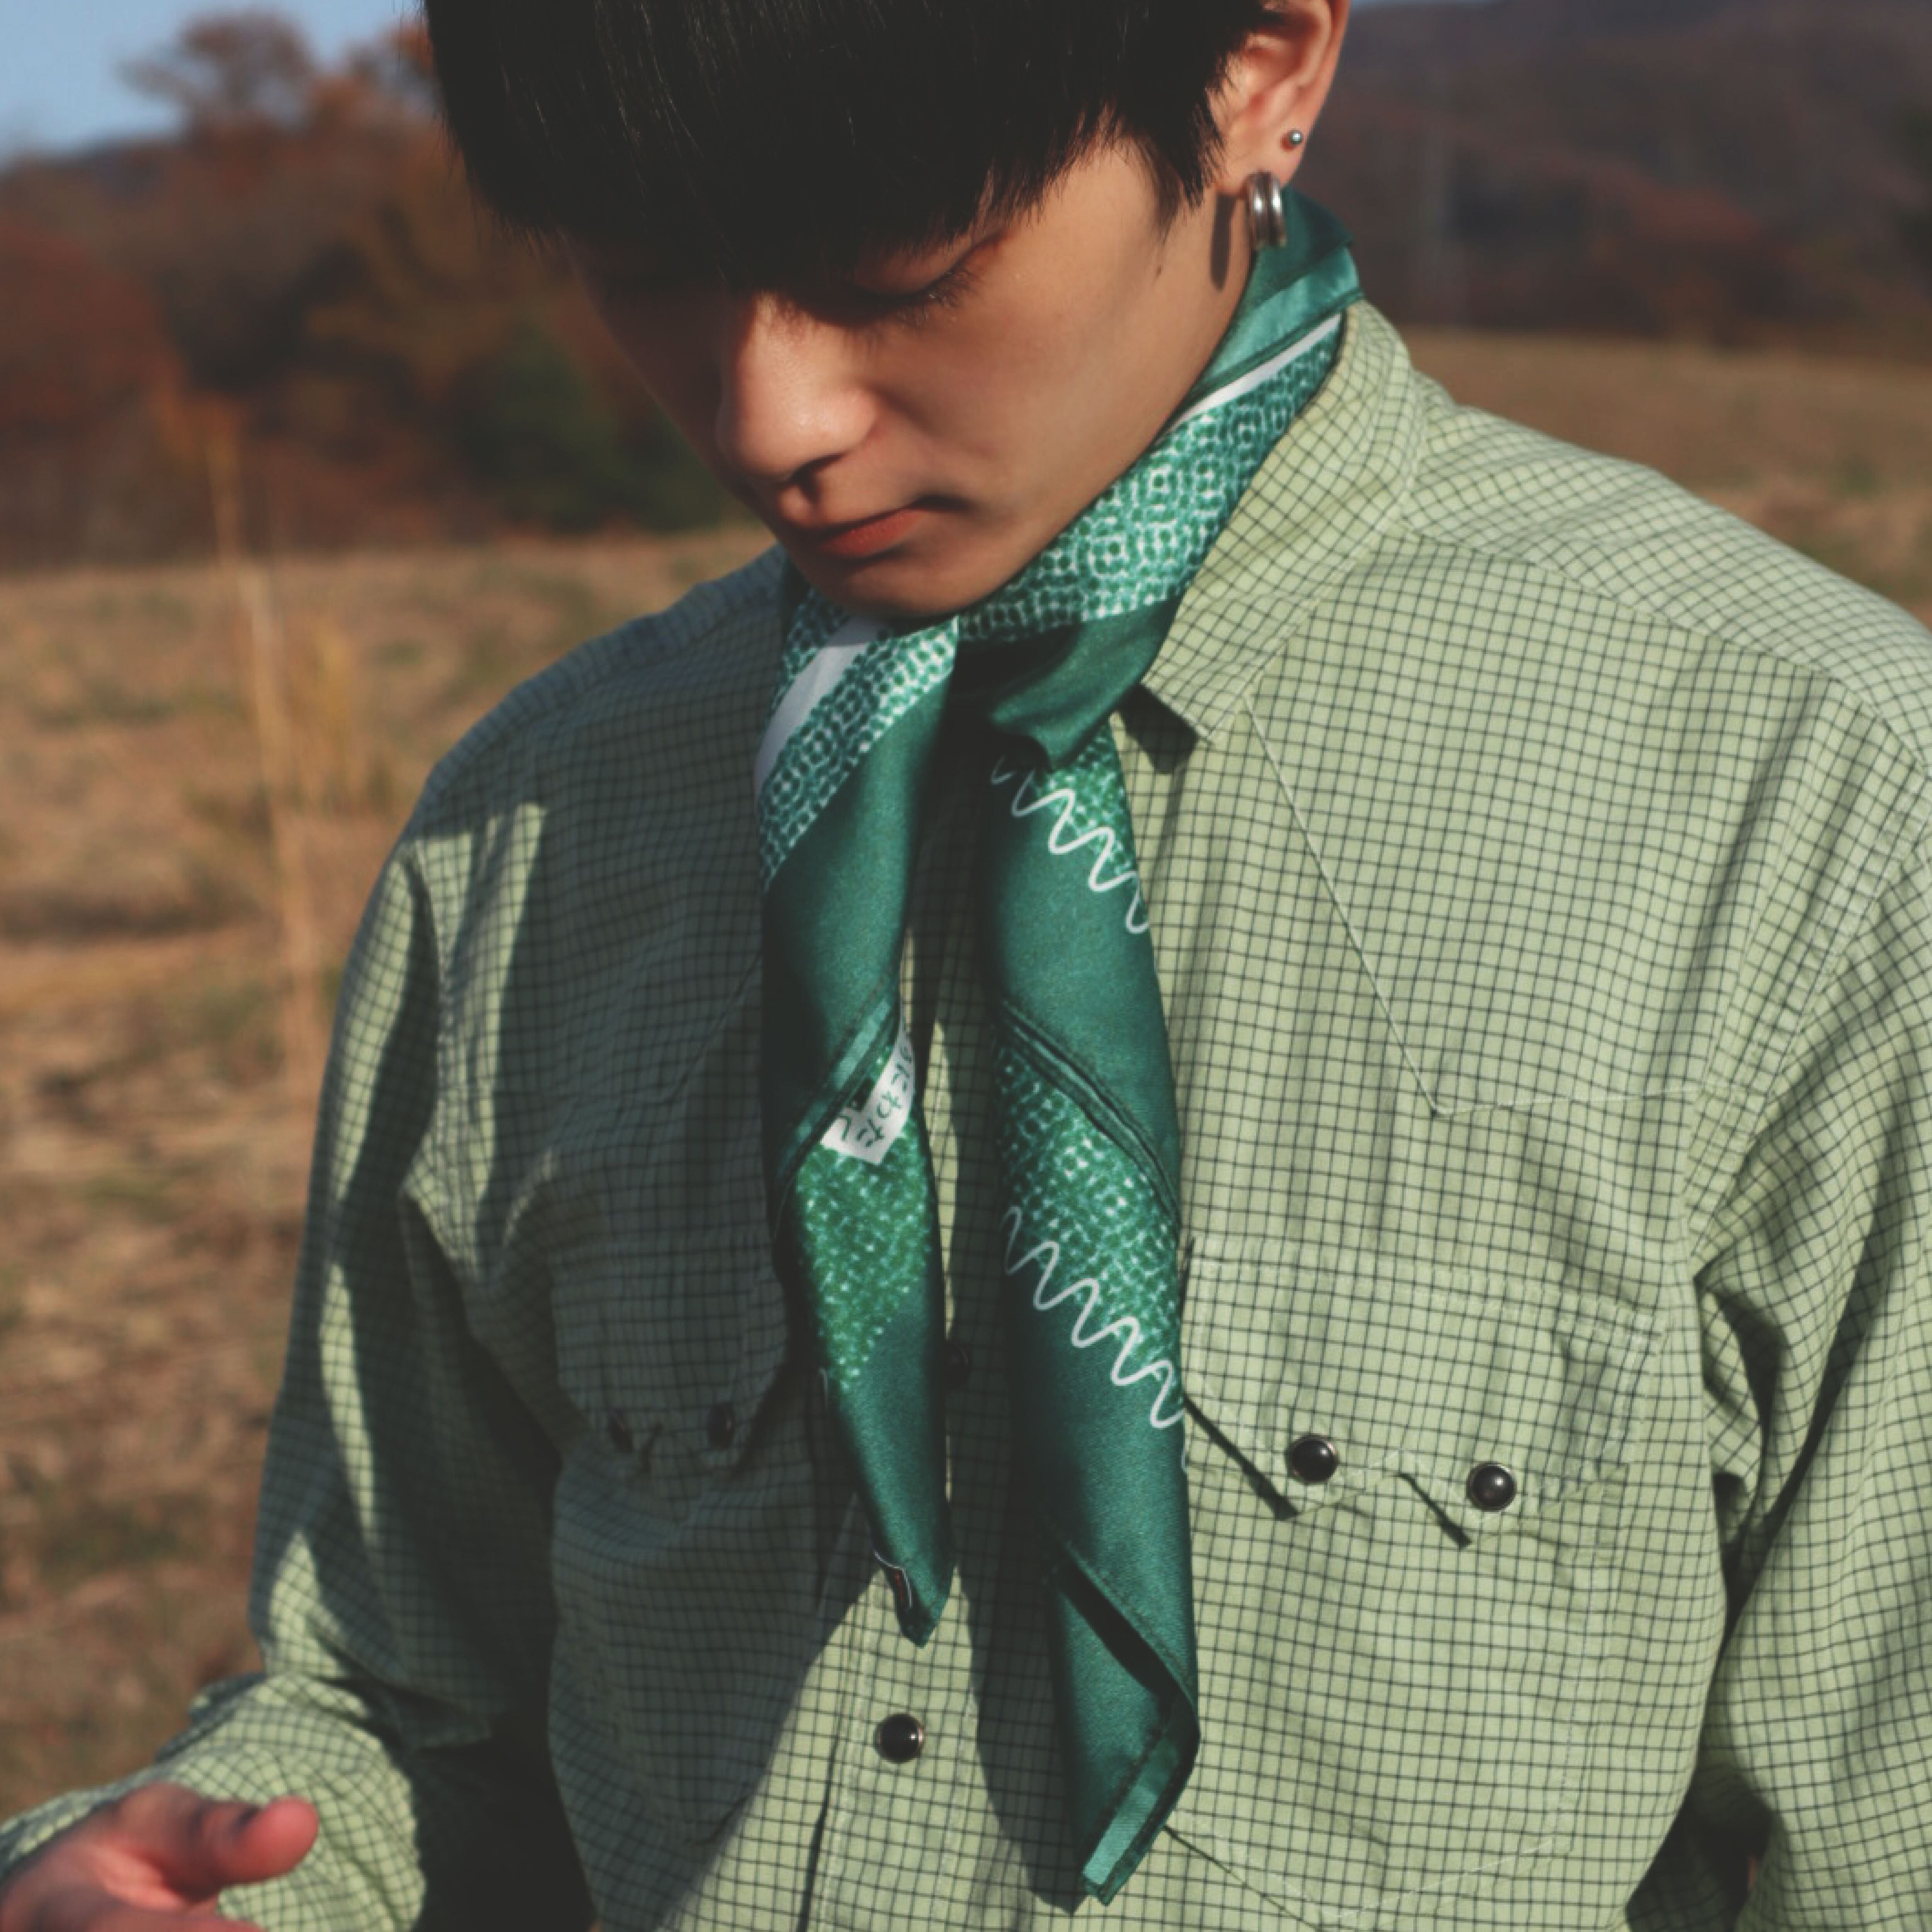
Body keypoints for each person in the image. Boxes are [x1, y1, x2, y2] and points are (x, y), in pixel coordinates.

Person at [6, 0, 1932, 1923]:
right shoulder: (532, 828)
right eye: (651, 271)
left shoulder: (1808, 807)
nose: (771, 420)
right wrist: (205, 1883)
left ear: (1258, 69)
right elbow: (413, 1707)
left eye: (899, 273)